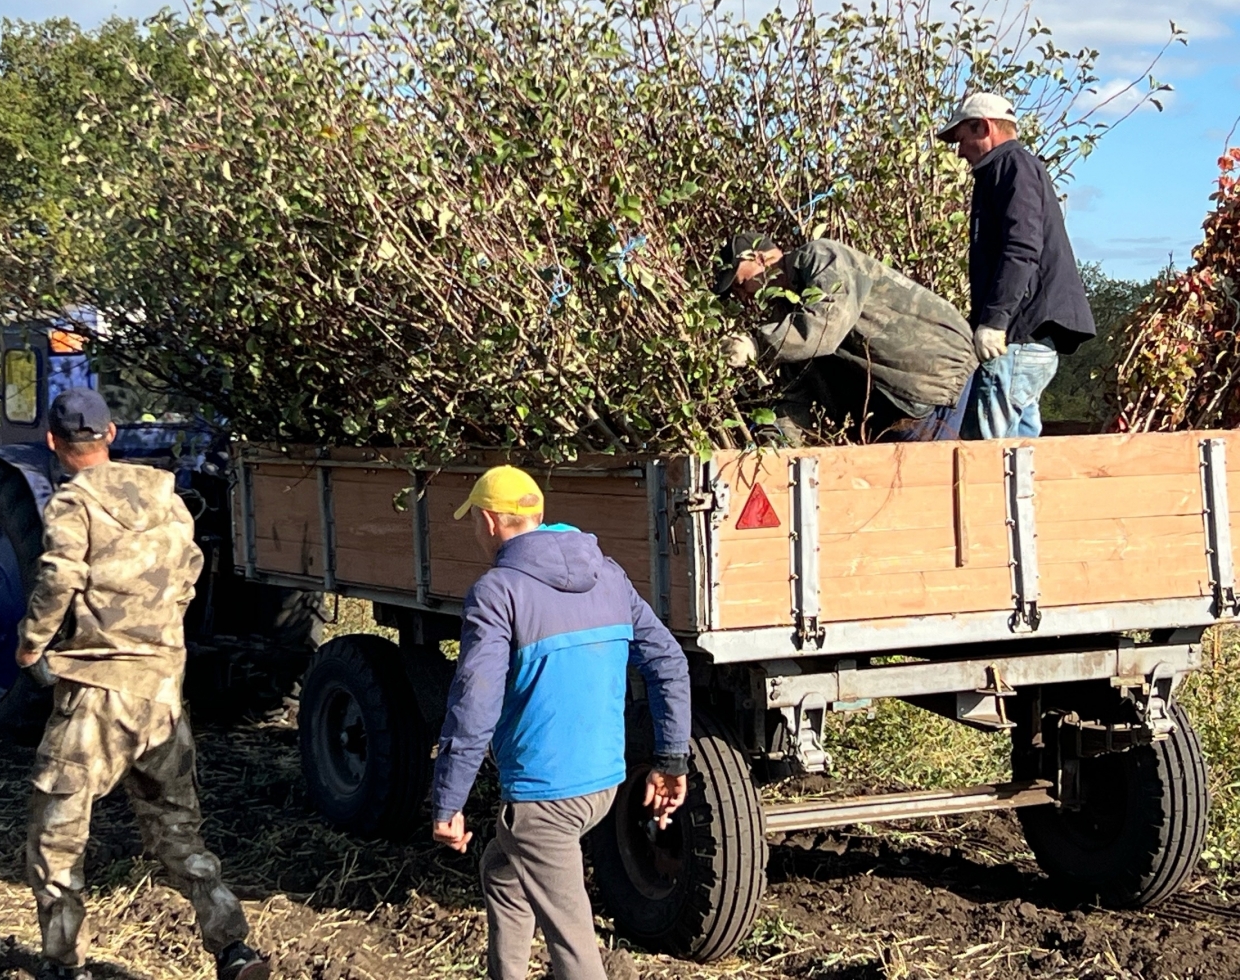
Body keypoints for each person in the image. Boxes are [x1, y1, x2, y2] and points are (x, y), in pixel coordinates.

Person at [15, 387, 269, 980]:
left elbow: (59, 575)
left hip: (96, 694)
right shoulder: (167, 498)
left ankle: (61, 963)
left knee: (56, 838)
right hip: (161, 693)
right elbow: (191, 573)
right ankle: (233, 947)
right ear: (110, 436)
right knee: (177, 831)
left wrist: (32, 642)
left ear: (53, 442)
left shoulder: (71, 503)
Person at [430, 466, 691, 980]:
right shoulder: (609, 575)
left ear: (487, 521)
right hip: (603, 785)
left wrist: (448, 801)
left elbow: (475, 701)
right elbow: (668, 661)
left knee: (576, 956)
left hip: (544, 798)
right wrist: (670, 760)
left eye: (472, 522)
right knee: (504, 875)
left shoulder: (497, 591)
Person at [716, 234, 978, 443]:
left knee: (936, 492)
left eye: (740, 283)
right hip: (898, 403)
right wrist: (776, 445)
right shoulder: (787, 319)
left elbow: (827, 323)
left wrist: (757, 344)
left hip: (932, 377)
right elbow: (797, 395)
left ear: (758, 257)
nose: (742, 296)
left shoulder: (819, 257)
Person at [937, 92, 1096, 437]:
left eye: (961, 138)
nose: (959, 151)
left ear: (984, 127)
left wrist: (995, 321)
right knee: (1021, 451)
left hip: (1017, 339)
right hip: (1030, 339)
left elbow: (1022, 247)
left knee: (987, 453)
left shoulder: (1011, 166)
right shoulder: (1010, 168)